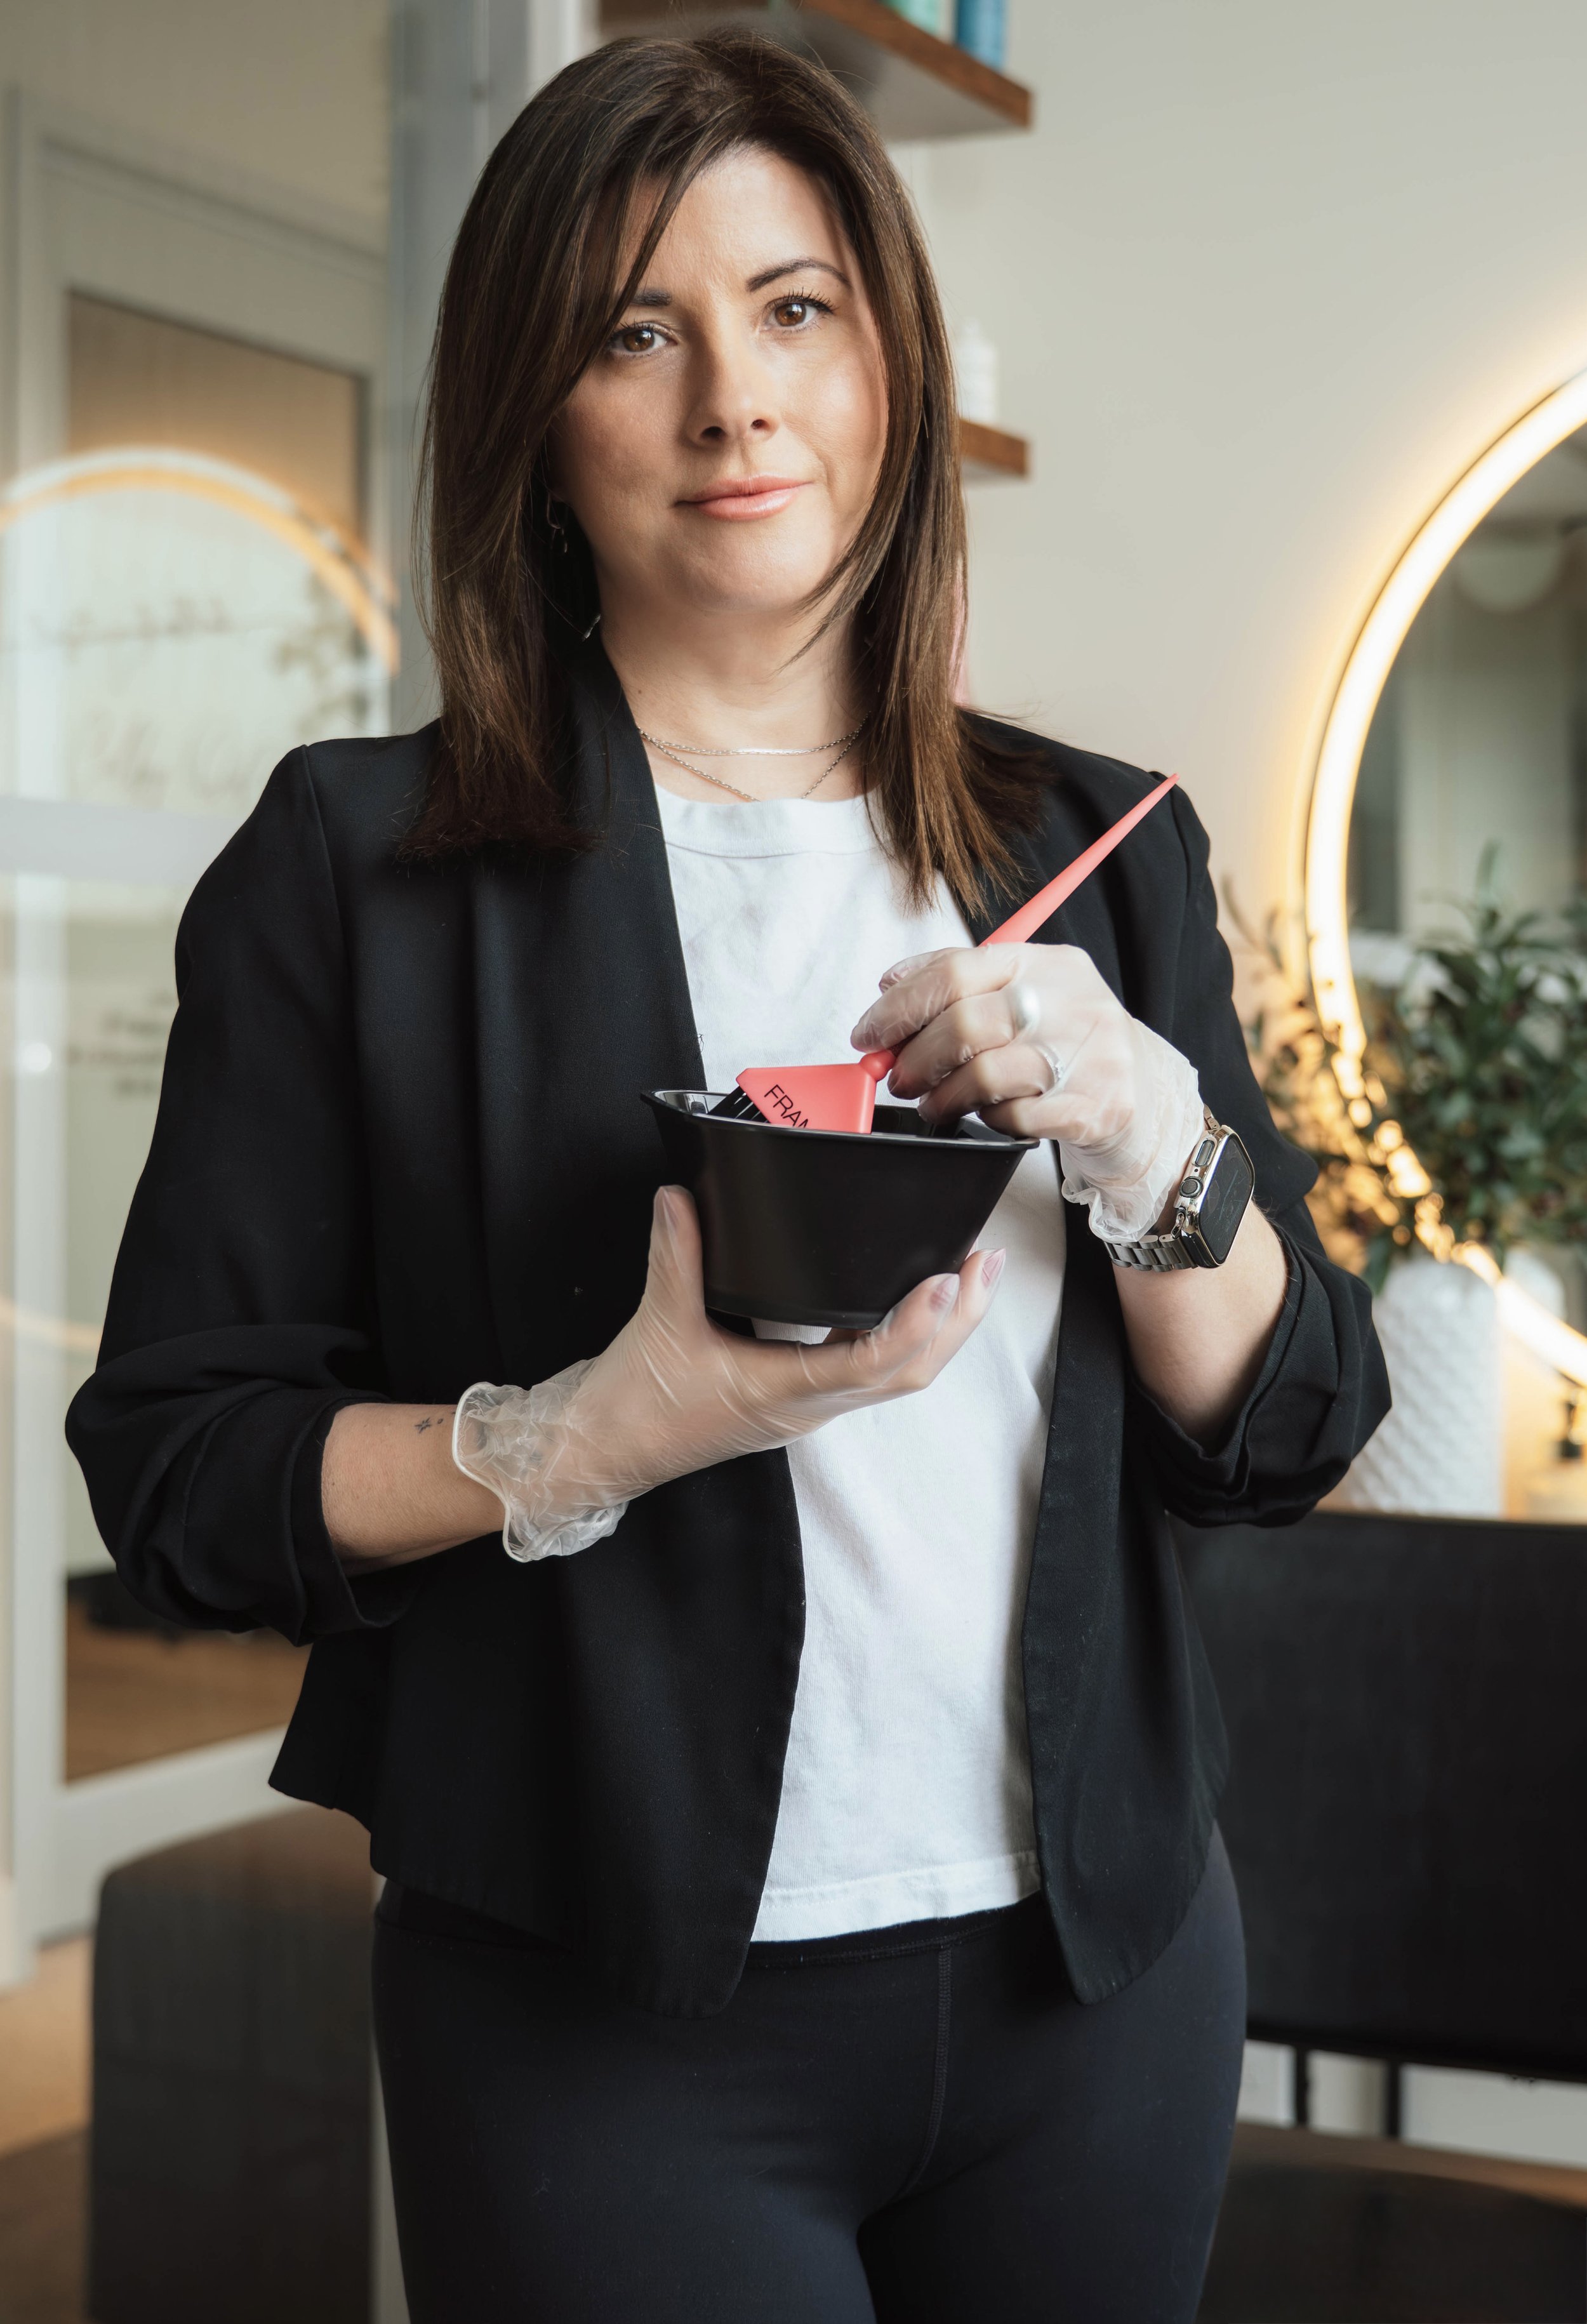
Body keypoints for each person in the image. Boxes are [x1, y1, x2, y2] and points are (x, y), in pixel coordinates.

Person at [67, 30, 1388, 2324]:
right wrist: (588, 1433)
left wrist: (1155, 1140)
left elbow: (1276, 1432)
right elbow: (181, 1473)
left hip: (1101, 1973)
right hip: (601, 2014)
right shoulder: (352, 868)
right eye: (632, 327)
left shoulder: (1104, 854)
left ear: (887, 359)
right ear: (531, 418)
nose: (732, 405)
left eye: (795, 310)